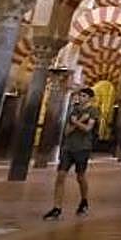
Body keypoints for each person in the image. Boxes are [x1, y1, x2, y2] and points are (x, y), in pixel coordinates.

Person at [43, 86, 99, 220]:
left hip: (83, 148)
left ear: (90, 98)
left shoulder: (93, 111)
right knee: (60, 176)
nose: (81, 98)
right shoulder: (74, 110)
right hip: (68, 148)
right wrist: (78, 122)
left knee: (80, 177)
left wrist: (76, 122)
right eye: (80, 95)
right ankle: (57, 208)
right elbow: (67, 131)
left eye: (84, 96)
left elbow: (88, 129)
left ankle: (84, 200)